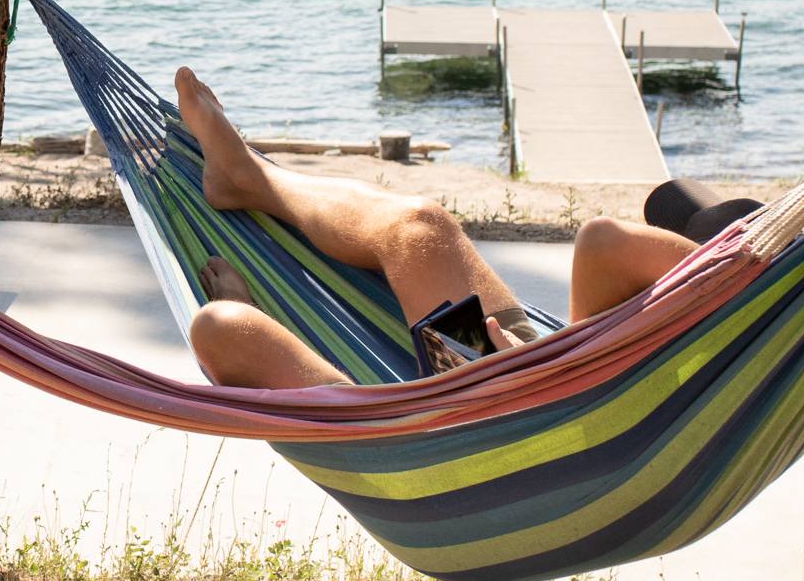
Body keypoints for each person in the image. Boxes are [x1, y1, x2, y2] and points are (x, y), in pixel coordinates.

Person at [173, 67, 705, 390]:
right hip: (536, 372)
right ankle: (247, 176)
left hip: (487, 412)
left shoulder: (754, 314)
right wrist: (749, 262)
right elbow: (605, 244)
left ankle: (248, 179)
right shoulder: (745, 291)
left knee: (221, 327)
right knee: (420, 227)